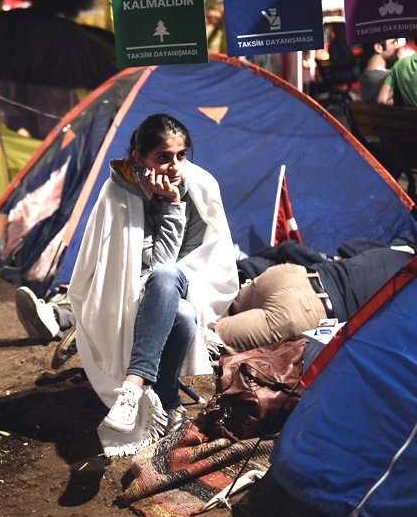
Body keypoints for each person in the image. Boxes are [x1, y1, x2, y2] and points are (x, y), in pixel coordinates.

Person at [66, 114, 238, 446]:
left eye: (181, 155)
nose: (175, 166)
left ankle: (132, 387)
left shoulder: (198, 187)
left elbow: (177, 263)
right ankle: (167, 396)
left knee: (169, 279)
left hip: (185, 280)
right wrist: (164, 208)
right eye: (163, 157)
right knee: (184, 316)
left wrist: (172, 205)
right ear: (138, 158)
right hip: (132, 291)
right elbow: (145, 266)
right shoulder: (119, 193)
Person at [213, 240, 414, 352]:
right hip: (306, 311)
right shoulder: (410, 294)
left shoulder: (401, 248)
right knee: (208, 341)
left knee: (208, 315)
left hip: (291, 275)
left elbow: (346, 249)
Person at [358, 38, 401, 103]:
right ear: (378, 48)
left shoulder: (364, 76)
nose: (397, 47)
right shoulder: (387, 77)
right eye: (393, 42)